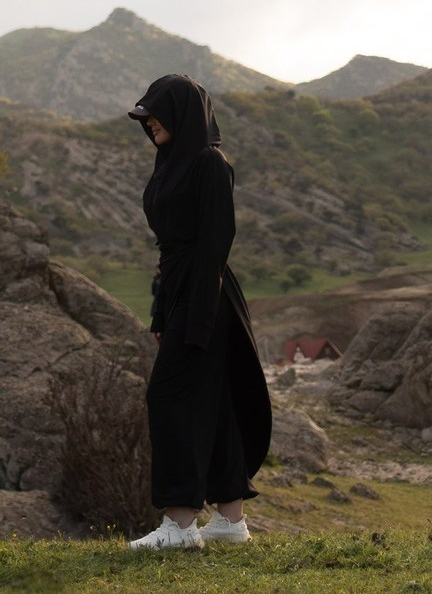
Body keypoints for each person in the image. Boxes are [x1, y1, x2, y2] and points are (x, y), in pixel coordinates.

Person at [126, 74, 272, 550]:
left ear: (185, 113)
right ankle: (231, 521)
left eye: (157, 114)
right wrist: (161, 314)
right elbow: (167, 251)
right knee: (217, 403)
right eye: (145, 117)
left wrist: (197, 317)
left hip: (206, 295)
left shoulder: (209, 164)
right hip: (178, 291)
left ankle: (180, 523)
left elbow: (214, 245)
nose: (149, 124)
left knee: (169, 399)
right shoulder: (168, 163)